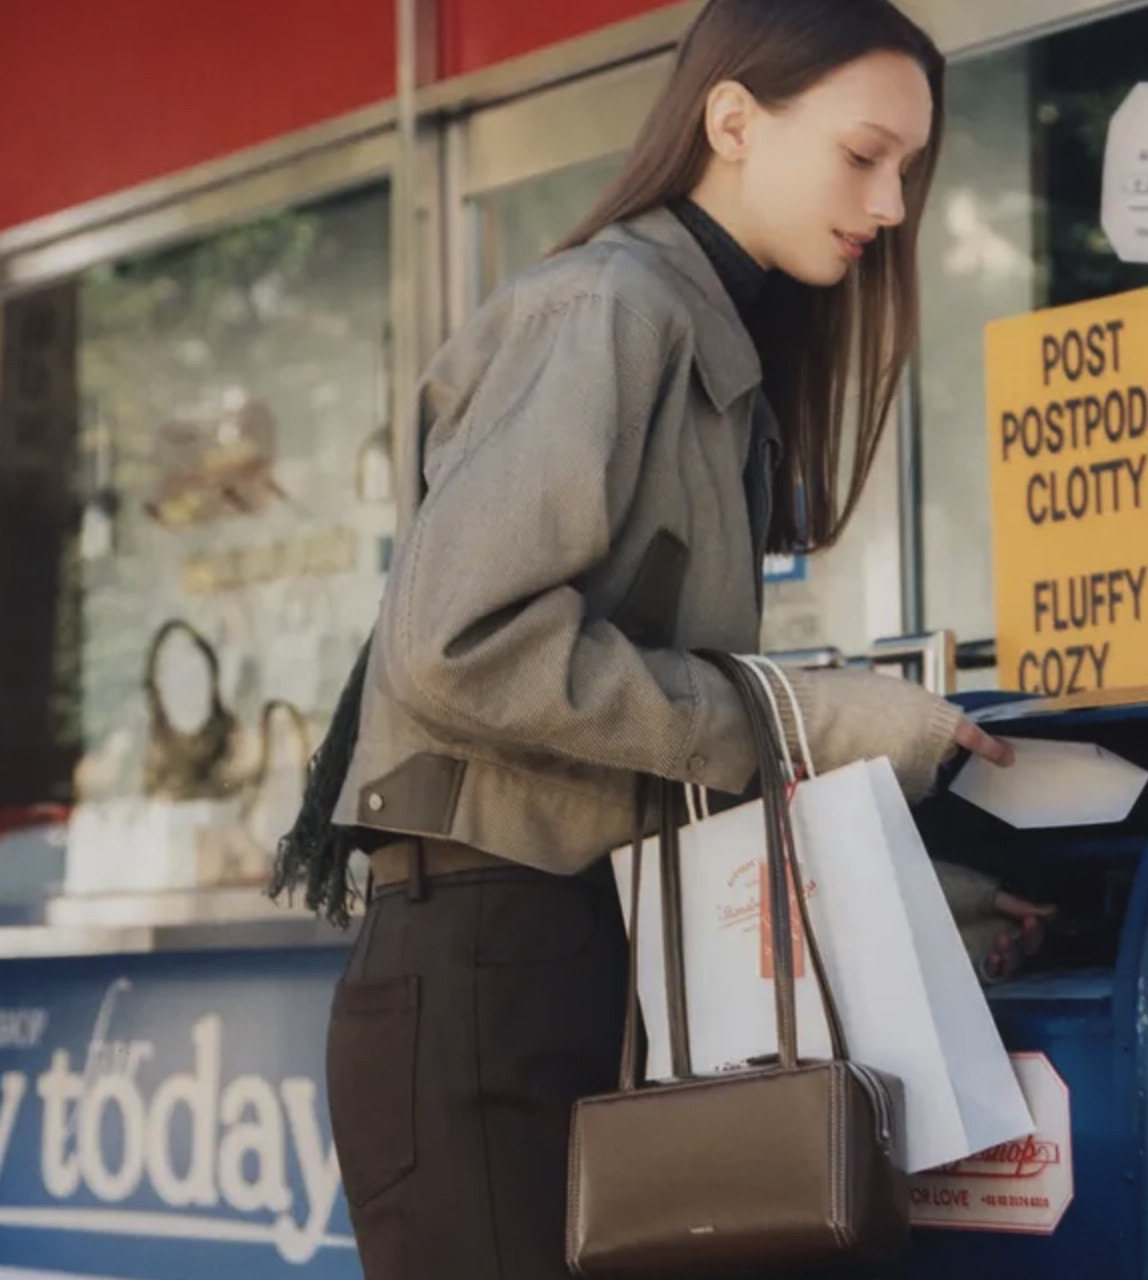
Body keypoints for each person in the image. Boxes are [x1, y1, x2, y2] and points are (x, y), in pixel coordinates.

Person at [271, 1, 1053, 1276]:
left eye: (907, 168)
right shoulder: (607, 309)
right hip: (493, 973)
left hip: (590, 958)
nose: (892, 203)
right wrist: (791, 715)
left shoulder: (706, 337)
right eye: (863, 156)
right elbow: (461, 646)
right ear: (732, 120)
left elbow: (636, 746)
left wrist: (899, 904)